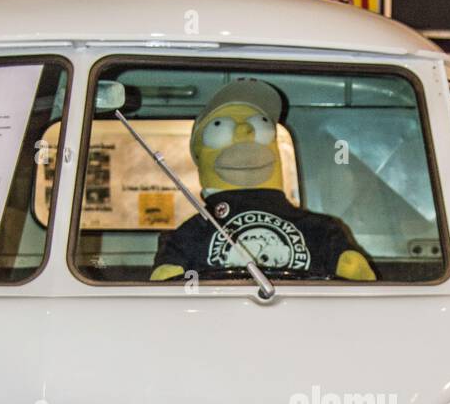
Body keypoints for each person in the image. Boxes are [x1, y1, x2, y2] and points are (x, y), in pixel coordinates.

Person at [151, 78, 376, 282]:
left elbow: (167, 278)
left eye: (259, 125)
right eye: (220, 127)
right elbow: (351, 267)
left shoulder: (189, 235)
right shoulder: (321, 230)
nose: (245, 131)